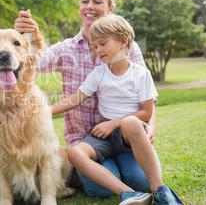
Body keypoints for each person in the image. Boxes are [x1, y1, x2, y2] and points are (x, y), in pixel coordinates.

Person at [14, 0, 161, 198]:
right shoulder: (66, 48)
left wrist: (149, 126)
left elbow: (147, 99)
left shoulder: (128, 47)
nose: (89, 6)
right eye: (85, 1)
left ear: (110, 8)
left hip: (126, 134)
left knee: (139, 180)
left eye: (97, 1)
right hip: (87, 140)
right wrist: (24, 39)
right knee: (100, 189)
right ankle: (115, 183)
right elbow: (30, 65)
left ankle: (136, 180)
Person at [50, 14, 184, 204]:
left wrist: (114, 123)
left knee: (131, 122)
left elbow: (146, 112)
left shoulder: (141, 74)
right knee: (75, 153)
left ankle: (160, 190)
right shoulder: (98, 74)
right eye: (95, 46)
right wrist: (44, 111)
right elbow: (73, 99)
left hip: (131, 131)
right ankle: (129, 193)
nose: (98, 50)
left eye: (103, 43)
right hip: (105, 133)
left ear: (123, 41)